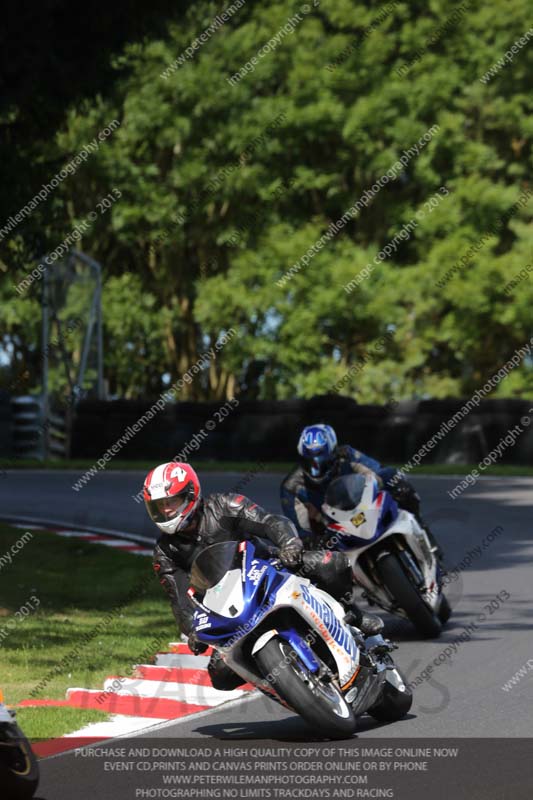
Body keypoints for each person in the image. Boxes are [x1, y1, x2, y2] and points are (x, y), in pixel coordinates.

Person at [145, 461, 383, 691]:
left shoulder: (225, 505)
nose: (166, 510)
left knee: (330, 563)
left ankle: (352, 614)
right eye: (159, 506)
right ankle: (286, 684)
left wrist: (289, 543)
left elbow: (270, 522)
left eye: (171, 502)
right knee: (220, 676)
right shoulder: (164, 552)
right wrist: (193, 630)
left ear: (189, 495)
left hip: (268, 569)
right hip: (226, 607)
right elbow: (179, 599)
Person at [280, 423, 443, 558]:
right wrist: (311, 540)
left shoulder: (347, 455)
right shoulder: (291, 486)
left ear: (333, 452)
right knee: (313, 561)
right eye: (311, 462)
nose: (317, 468)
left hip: (364, 507)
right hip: (332, 531)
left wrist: (386, 484)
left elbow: (376, 471)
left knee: (397, 482)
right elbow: (299, 528)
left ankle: (427, 537)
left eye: (323, 460)